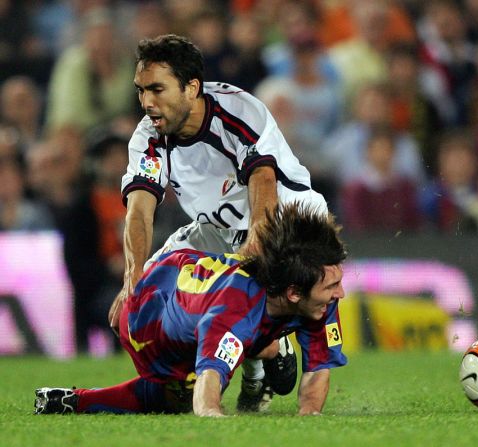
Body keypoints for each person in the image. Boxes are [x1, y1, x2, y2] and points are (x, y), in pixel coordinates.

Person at [108, 34, 329, 412]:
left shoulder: (239, 111)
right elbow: (140, 211)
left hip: (288, 223)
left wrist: (250, 258)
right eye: (141, 90)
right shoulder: (149, 136)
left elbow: (263, 185)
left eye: (157, 89)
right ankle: (245, 361)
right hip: (217, 231)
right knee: (152, 296)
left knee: (240, 296)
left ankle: (264, 349)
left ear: (191, 88)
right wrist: (134, 276)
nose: (147, 102)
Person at [34, 202, 348, 417]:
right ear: (293, 293)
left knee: (256, 344)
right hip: (149, 314)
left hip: (194, 280)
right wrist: (212, 412)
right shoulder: (233, 312)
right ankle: (83, 400)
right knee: (178, 399)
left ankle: (268, 347)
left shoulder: (316, 295)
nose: (341, 293)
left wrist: (311, 417)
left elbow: (319, 368)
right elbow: (209, 386)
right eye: (332, 287)